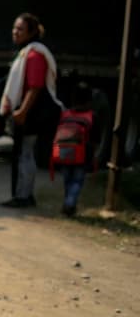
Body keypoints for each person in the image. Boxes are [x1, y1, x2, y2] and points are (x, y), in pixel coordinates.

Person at [0, 13, 63, 209]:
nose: (15, 32)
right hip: (29, 113)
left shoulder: (34, 55)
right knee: (24, 153)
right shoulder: (26, 52)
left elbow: (35, 86)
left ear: (32, 32)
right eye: (14, 28)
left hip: (32, 114)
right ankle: (23, 194)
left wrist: (22, 112)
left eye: (20, 29)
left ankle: (23, 195)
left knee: (25, 154)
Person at [56, 82, 97, 217]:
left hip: (64, 152)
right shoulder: (91, 116)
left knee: (67, 179)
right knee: (77, 181)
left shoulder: (66, 114)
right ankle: (70, 203)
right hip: (81, 154)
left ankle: (68, 204)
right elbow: (95, 137)